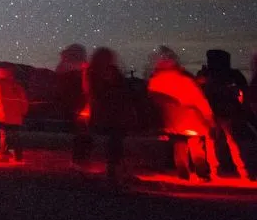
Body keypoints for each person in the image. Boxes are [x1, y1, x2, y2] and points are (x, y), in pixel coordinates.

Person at [147, 46, 215, 181]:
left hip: (174, 122)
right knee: (197, 149)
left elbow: (153, 99)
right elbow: (200, 100)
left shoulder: (156, 81)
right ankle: (202, 174)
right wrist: (209, 117)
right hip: (192, 120)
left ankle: (183, 174)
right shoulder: (186, 80)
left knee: (179, 148)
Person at [197, 49, 251, 179]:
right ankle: (243, 171)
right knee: (231, 141)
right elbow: (244, 89)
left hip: (213, 113)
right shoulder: (232, 74)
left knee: (212, 142)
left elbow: (199, 90)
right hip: (225, 112)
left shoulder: (206, 74)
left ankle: (215, 171)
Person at [86, 47, 132, 181]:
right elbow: (116, 92)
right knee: (115, 141)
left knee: (114, 141)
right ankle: (114, 170)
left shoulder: (92, 73)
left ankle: (115, 169)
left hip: (108, 113)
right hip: (113, 113)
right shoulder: (100, 74)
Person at [56, 44, 91, 166]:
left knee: (82, 133)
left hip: (80, 106)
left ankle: (80, 158)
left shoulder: (75, 71)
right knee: (81, 133)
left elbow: (86, 89)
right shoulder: (70, 72)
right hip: (78, 106)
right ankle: (80, 158)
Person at [0, 65, 29, 162]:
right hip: (16, 116)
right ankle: (18, 155)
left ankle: (4, 155)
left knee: (4, 135)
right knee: (15, 135)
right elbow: (24, 101)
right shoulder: (18, 87)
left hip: (4, 116)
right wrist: (23, 112)